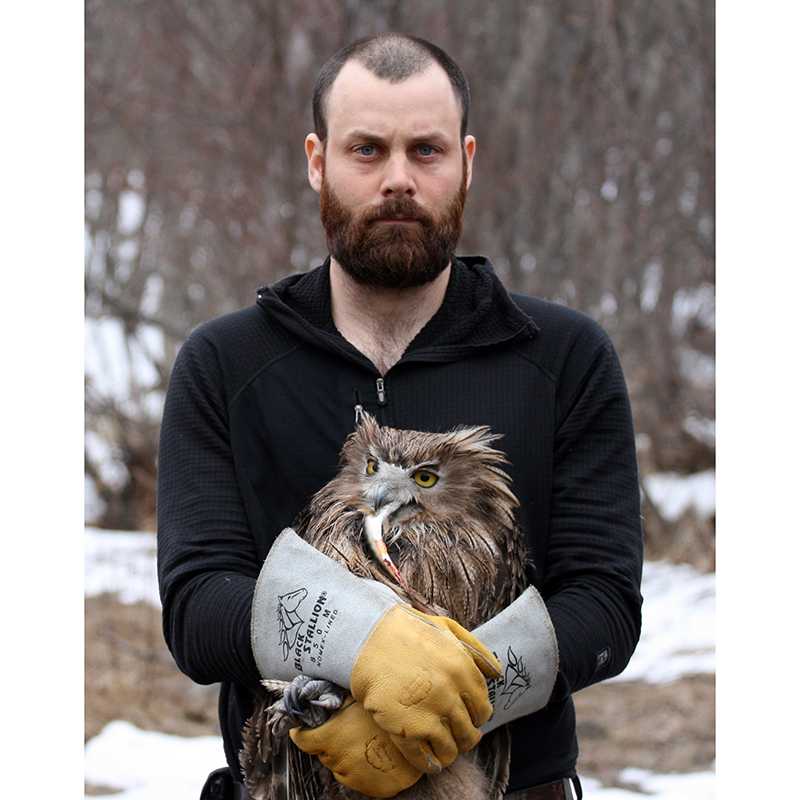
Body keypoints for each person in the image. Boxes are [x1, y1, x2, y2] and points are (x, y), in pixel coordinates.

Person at [157, 33, 643, 800]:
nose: (398, 179)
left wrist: (440, 707)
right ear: (317, 160)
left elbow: (604, 606)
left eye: (426, 151)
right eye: (366, 150)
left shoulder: (563, 358)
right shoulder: (227, 363)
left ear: (467, 162)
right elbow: (197, 607)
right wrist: (362, 645)